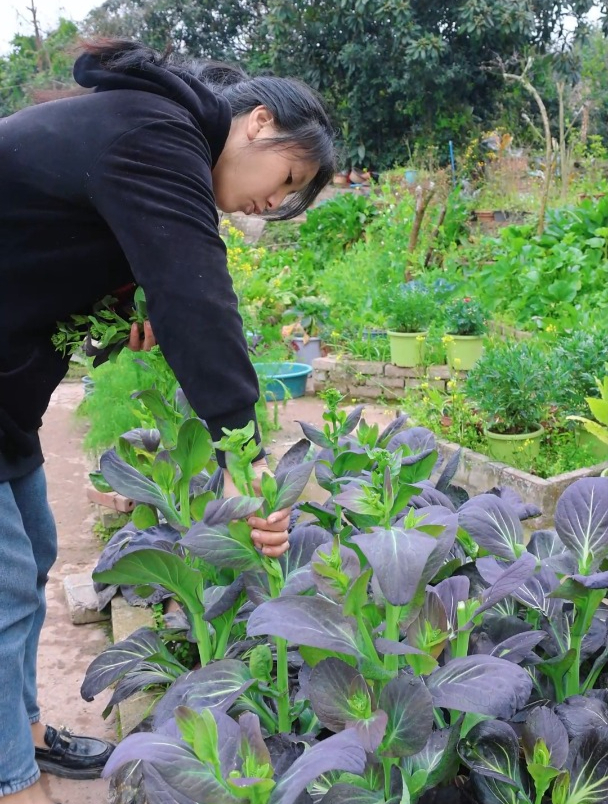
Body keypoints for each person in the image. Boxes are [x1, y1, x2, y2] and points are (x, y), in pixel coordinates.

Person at [0, 38, 336, 803]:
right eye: (288, 179)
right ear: (258, 122)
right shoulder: (158, 132)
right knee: (5, 585)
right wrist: (240, 450)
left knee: (37, 545)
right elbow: (196, 291)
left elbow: (67, 251)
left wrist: (126, 299)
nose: (274, 205)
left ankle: (24, 734)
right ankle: (11, 779)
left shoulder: (149, 131)